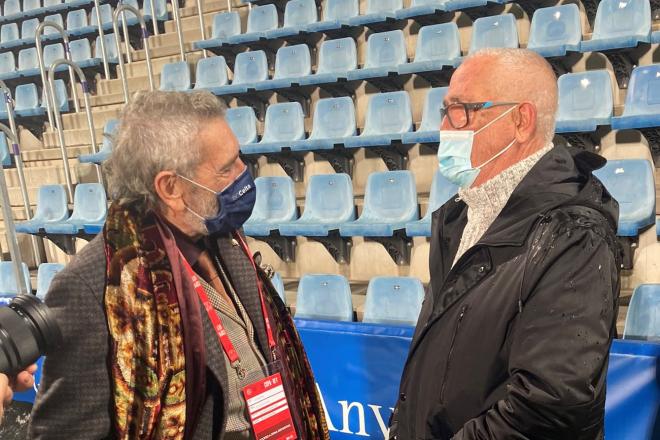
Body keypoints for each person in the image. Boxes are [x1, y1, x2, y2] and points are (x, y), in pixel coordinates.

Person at [29, 91, 328, 439]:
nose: (244, 174)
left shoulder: (225, 239)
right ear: (170, 187)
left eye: (239, 158)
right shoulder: (92, 288)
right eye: (226, 168)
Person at [389, 48, 621, 439]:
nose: (447, 126)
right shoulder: (460, 217)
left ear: (520, 120)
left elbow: (550, 406)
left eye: (461, 109)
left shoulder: (574, 235)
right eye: (446, 111)